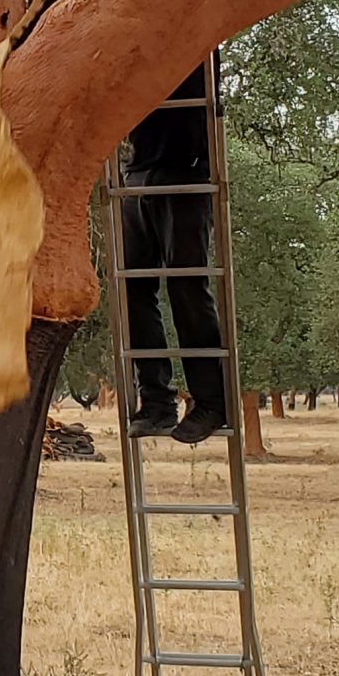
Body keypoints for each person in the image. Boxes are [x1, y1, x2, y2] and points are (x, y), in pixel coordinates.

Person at [121, 56, 226, 445]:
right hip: (135, 173)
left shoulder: (193, 34)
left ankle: (211, 402)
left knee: (187, 285)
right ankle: (156, 403)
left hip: (187, 169)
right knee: (132, 289)